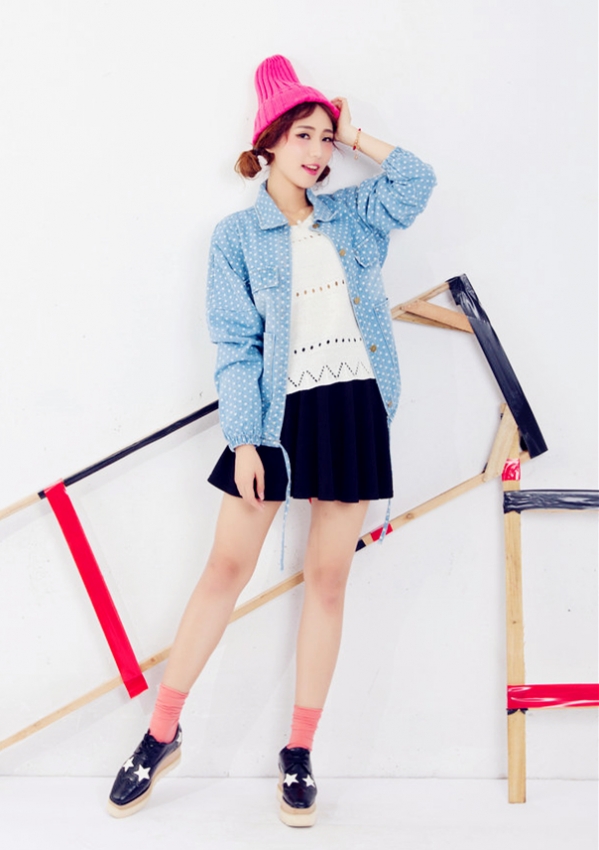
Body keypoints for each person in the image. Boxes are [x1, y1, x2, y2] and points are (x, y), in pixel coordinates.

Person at [107, 54, 436, 827]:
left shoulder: (353, 216)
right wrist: (245, 440)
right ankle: (161, 731)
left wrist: (355, 132)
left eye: (324, 137)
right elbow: (234, 344)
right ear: (268, 143)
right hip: (275, 421)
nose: (316, 151)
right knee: (224, 567)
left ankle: (298, 752)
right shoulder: (237, 237)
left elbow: (416, 180)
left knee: (328, 580)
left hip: (354, 406)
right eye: (302, 135)